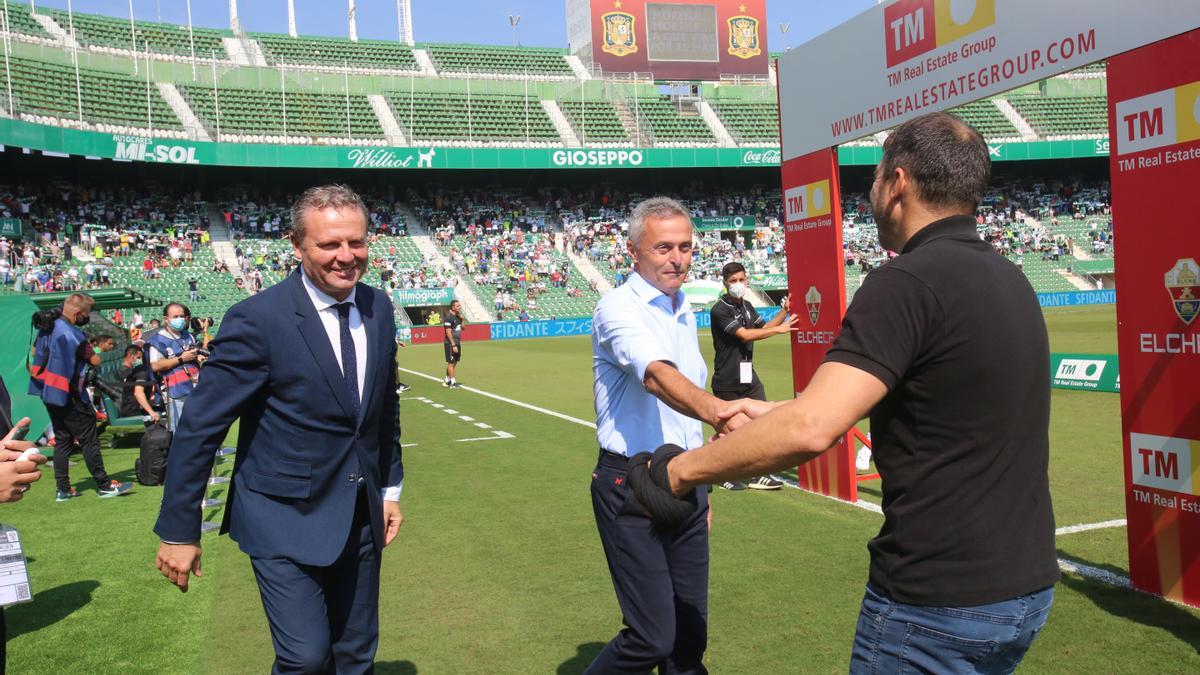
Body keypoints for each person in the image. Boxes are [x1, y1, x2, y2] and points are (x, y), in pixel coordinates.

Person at [643, 113, 1058, 673]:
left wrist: (679, 473)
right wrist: (771, 410)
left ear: (899, 184)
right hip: (1024, 587)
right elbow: (928, 404)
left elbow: (811, 430)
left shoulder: (905, 281)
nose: (870, 191)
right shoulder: (1012, 279)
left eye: (876, 175)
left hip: (937, 597)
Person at [154, 184, 404, 674]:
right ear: (297, 245)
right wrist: (180, 531)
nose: (346, 257)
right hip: (281, 514)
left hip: (359, 514)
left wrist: (390, 487)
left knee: (355, 657)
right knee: (305, 659)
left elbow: (382, 413)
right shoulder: (257, 319)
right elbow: (201, 428)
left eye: (356, 243)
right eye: (329, 245)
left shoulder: (379, 308)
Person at [587, 196, 748, 674]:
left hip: (687, 479)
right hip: (631, 484)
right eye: (662, 248)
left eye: (685, 247)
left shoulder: (683, 309)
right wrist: (720, 412)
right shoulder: (616, 307)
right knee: (651, 637)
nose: (677, 258)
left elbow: (684, 414)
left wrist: (704, 484)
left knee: (689, 639)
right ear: (633, 251)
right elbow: (656, 376)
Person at [27, 293, 133, 501]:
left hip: (50, 391)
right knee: (89, 440)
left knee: (63, 441)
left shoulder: (47, 326)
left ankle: (63, 489)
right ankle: (104, 485)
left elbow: (34, 353)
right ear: (77, 313)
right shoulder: (73, 334)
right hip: (71, 394)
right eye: (86, 314)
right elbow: (94, 360)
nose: (87, 317)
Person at [707, 262, 796, 491]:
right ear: (725, 283)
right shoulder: (720, 309)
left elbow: (763, 326)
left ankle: (756, 473)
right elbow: (745, 334)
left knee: (763, 422)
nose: (738, 284)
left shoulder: (746, 305)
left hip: (748, 376)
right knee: (729, 431)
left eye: (741, 280)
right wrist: (778, 330)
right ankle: (719, 472)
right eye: (733, 281)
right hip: (727, 378)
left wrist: (784, 312)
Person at [147, 303, 201, 431]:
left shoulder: (188, 335)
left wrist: (197, 357)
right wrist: (181, 358)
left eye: (182, 316)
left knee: (198, 427)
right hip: (175, 391)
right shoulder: (158, 340)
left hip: (196, 387)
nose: (180, 319)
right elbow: (155, 365)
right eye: (175, 316)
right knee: (180, 429)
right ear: (166, 319)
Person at [118, 345, 158, 421]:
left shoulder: (143, 370)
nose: (140, 360)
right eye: (139, 358)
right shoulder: (142, 371)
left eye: (141, 358)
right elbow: (138, 393)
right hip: (133, 411)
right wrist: (151, 412)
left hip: (134, 407)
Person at [443, 299, 464, 388]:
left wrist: (462, 319)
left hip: (457, 342)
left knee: (455, 361)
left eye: (460, 305)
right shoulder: (449, 317)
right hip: (450, 343)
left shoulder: (458, 317)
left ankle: (447, 379)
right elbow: (448, 332)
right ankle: (452, 382)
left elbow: (463, 328)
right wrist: (453, 344)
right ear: (453, 307)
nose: (460, 307)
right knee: (451, 362)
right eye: (458, 306)